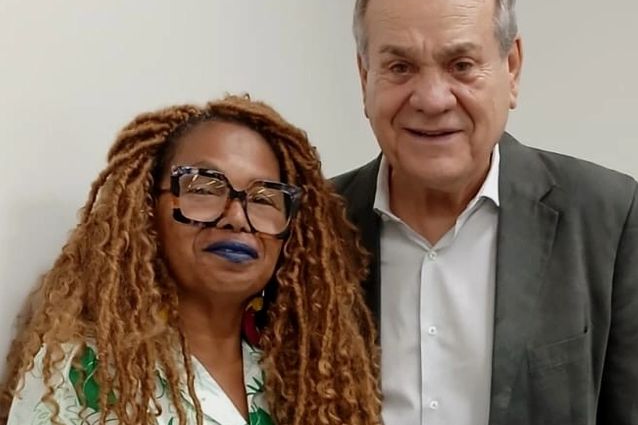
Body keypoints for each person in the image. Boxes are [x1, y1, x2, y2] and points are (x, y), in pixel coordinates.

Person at [333, 0, 638, 424]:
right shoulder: (310, 224)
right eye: (400, 67)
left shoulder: (604, 216)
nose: (432, 99)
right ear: (364, 77)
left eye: (461, 65)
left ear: (511, 68)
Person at [0, 95, 381, 425]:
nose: (236, 217)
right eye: (204, 189)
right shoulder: (82, 374)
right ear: (147, 211)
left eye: (264, 198)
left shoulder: (308, 377)